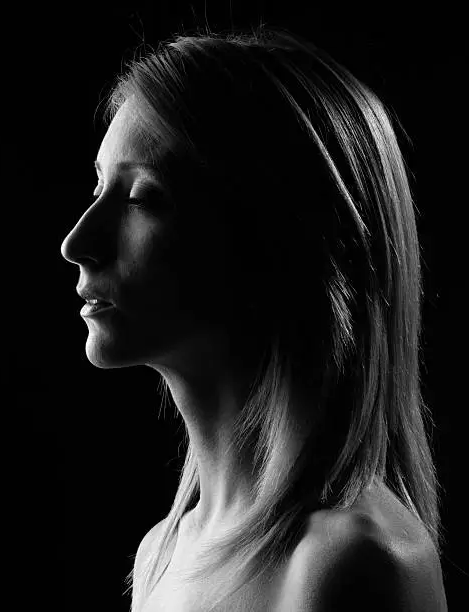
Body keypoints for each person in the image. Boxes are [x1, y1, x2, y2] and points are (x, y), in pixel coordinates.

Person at [60, 22, 448, 612]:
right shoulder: (160, 557)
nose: (76, 240)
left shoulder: (351, 563)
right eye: (97, 188)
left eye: (143, 197)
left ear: (274, 239)